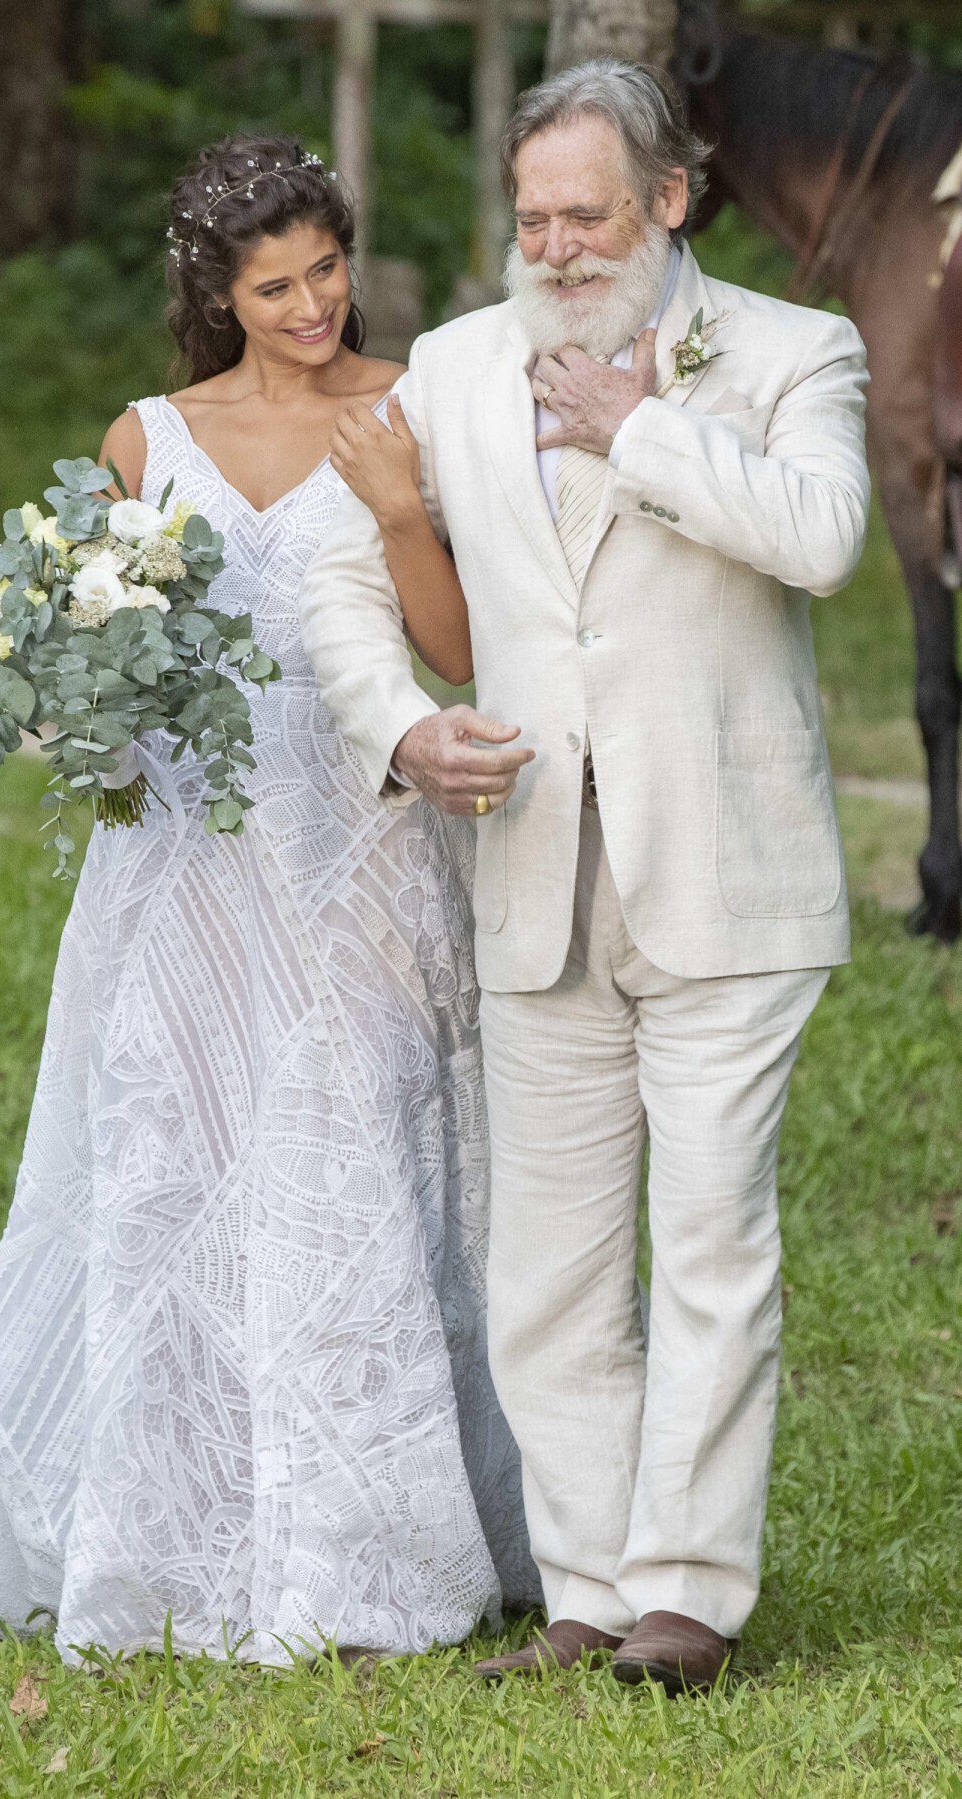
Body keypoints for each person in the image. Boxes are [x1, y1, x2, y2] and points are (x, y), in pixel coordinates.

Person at [0, 133, 536, 1668]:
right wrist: (41, 688)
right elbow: (93, 642)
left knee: (352, 1147)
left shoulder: (414, 404)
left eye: (329, 271)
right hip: (181, 859)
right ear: (216, 294)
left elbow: (460, 648)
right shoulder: (150, 438)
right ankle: (169, 1529)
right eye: (275, 285)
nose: (311, 308)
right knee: (179, 1160)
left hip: (357, 842)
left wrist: (406, 508)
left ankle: (372, 1540)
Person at [299, 61, 870, 1694]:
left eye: (585, 213)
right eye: (530, 215)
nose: (552, 247)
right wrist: (405, 732)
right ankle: (586, 1592)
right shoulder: (460, 368)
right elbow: (353, 574)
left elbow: (826, 537)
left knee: (706, 1245)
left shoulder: (788, 350)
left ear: (668, 203)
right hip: (535, 871)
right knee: (547, 1270)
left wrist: (651, 430)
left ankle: (689, 1601)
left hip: (731, 878)